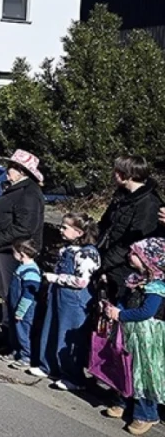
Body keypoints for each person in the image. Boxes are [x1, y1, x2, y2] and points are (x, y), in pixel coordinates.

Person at [28, 212, 100, 392]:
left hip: (74, 299)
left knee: (68, 335)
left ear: (79, 232)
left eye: (65, 227)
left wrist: (55, 278)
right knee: (51, 328)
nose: (61, 230)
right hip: (58, 295)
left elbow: (82, 281)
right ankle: (49, 365)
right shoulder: (67, 249)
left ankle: (73, 376)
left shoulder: (87, 254)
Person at [102, 237, 164, 435]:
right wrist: (115, 309)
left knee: (144, 372)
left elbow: (147, 312)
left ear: (150, 259)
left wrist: (121, 314)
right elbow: (124, 299)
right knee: (125, 365)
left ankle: (146, 413)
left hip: (146, 335)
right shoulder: (134, 279)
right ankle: (122, 400)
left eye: (136, 254)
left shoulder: (157, 287)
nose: (130, 256)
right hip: (129, 331)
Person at [0, 149, 46, 328]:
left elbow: (25, 227)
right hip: (2, 249)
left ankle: (13, 331)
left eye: (11, 167)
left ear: (22, 171)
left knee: (13, 292)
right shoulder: (17, 189)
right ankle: (6, 325)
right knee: (4, 290)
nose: (7, 171)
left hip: (12, 250)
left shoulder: (29, 193)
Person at [97, 155, 164, 305]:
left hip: (127, 269)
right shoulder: (121, 197)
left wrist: (104, 264)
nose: (113, 174)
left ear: (126, 174)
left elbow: (136, 241)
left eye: (117, 170)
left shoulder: (149, 203)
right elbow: (105, 226)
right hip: (108, 263)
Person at [7, 238, 41, 369]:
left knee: (23, 332)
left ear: (22, 253)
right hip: (15, 305)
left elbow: (29, 295)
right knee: (15, 330)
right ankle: (16, 351)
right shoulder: (22, 268)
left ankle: (26, 355)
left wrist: (21, 311)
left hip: (24, 310)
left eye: (14, 252)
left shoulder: (31, 272)